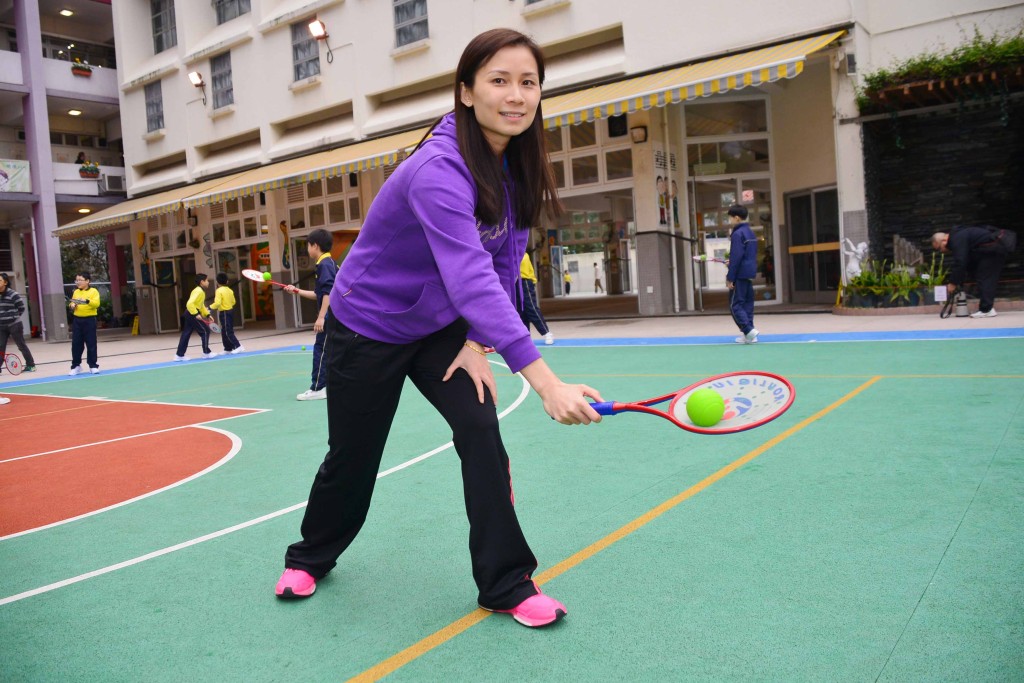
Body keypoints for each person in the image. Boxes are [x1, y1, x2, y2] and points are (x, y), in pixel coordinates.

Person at [275, 28, 603, 629]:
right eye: (499, 80)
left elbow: (504, 265)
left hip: (439, 328)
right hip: (368, 326)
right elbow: (471, 276)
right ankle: (310, 556)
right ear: (466, 91)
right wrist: (548, 383)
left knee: (481, 429)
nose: (515, 95)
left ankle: (506, 582)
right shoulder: (437, 169)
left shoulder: (520, 167)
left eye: (528, 82)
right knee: (354, 456)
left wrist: (476, 344)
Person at [284, 229, 337, 400]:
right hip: (333, 315)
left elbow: (328, 293)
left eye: (308, 245)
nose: (307, 248)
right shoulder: (328, 263)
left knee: (320, 350)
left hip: (329, 316)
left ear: (315, 245)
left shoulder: (325, 265)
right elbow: (319, 294)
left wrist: (321, 316)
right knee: (328, 351)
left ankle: (318, 388)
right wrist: (297, 290)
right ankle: (326, 385)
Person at [931, 226, 1016, 318]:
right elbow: (966, 261)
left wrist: (953, 283)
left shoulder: (956, 239)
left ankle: (986, 310)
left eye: (939, 248)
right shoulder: (959, 235)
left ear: (943, 240)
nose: (941, 252)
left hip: (992, 251)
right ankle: (986, 308)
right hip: (991, 250)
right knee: (983, 277)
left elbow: (960, 262)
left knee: (985, 278)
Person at [725, 205, 759, 344]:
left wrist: (730, 277)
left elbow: (737, 256)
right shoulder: (750, 232)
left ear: (736, 218)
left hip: (739, 274)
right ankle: (750, 336)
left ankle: (748, 330)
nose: (729, 220)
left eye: (730, 217)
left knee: (735, 305)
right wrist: (732, 261)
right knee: (747, 304)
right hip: (749, 272)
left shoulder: (737, 234)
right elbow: (745, 256)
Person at [173, 273, 218, 361]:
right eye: (207, 280)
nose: (208, 282)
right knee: (205, 331)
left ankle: (179, 355)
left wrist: (207, 315)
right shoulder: (199, 291)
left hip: (189, 313)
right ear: (202, 282)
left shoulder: (200, 291)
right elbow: (190, 303)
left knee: (186, 334)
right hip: (192, 314)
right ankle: (206, 353)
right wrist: (195, 314)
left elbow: (201, 306)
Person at [0, 273, 36, 373]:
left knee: (21, 345)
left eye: (0, 281)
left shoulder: (13, 294)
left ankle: (31, 365)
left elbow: (22, 307)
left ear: (5, 282)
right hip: (1, 326)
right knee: (0, 346)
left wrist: (13, 317)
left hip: (14, 324)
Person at [68, 272, 101, 375]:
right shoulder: (76, 292)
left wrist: (86, 301)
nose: (78, 282)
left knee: (91, 343)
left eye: (80, 280)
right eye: (77, 280)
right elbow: (72, 302)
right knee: (76, 344)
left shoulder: (93, 291)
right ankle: (76, 366)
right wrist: (72, 305)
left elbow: (96, 304)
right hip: (77, 320)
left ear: (87, 281)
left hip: (89, 320)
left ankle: (93, 365)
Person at [519, 252, 554, 344]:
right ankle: (525, 337)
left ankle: (546, 332)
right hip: (515, 283)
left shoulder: (523, 254)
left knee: (531, 308)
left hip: (524, 281)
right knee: (520, 311)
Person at [210, 273, 244, 354]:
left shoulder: (218, 291)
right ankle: (228, 348)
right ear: (227, 281)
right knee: (224, 330)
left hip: (224, 312)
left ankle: (238, 346)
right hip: (229, 311)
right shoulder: (230, 290)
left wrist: (210, 308)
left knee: (227, 331)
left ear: (217, 282)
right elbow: (233, 302)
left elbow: (217, 303)